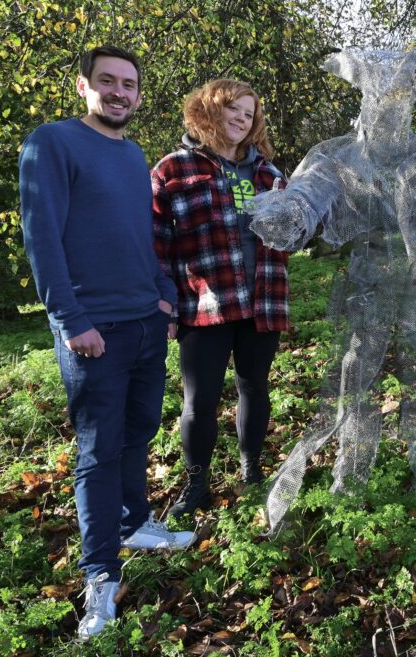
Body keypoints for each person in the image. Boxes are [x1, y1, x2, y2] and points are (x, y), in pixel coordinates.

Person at [19, 45, 195, 640]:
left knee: (139, 431)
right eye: (108, 82)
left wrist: (164, 294)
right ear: (84, 86)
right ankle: (100, 576)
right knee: (98, 451)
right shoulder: (53, 142)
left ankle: (137, 521)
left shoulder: (131, 152)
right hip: (94, 332)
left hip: (147, 321)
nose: (120, 92)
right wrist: (71, 321)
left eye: (130, 84)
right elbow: (42, 239)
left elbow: (140, 235)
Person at [152, 80, 289, 519]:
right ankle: (197, 483)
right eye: (233, 109)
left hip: (262, 300)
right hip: (203, 304)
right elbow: (155, 242)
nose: (241, 119)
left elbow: (292, 236)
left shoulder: (270, 175)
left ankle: (251, 470)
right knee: (200, 399)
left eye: (249, 114)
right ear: (208, 111)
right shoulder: (174, 170)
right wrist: (165, 301)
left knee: (255, 386)